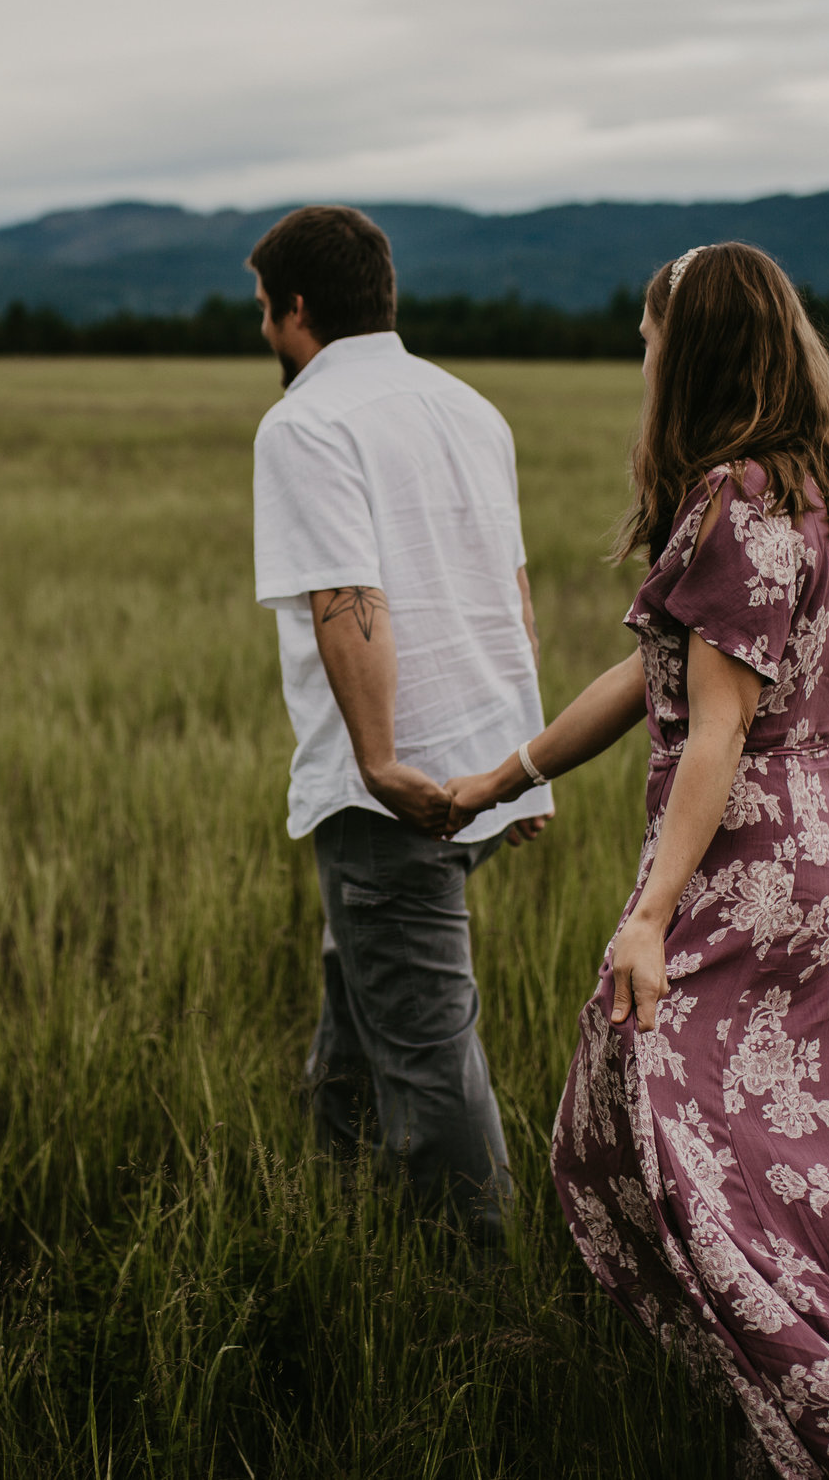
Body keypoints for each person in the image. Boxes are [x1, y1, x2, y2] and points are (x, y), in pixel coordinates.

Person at [446, 244, 829, 1475]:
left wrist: (648, 913)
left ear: (689, 353)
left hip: (751, 864)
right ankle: (801, 1411)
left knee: (657, 1140)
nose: (641, 359)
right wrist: (502, 774)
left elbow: (717, 726)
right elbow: (658, 677)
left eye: (649, 338)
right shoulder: (809, 494)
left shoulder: (733, 502)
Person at [247, 204, 553, 1243]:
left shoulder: (305, 420)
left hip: (397, 793)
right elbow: (508, 595)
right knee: (355, 1004)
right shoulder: (470, 408)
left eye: (262, 311)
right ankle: (330, 1211)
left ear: (295, 308)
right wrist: (522, 768)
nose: (262, 334)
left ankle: (483, 1300)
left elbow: (346, 596)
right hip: (472, 768)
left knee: (430, 1065)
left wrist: (379, 764)